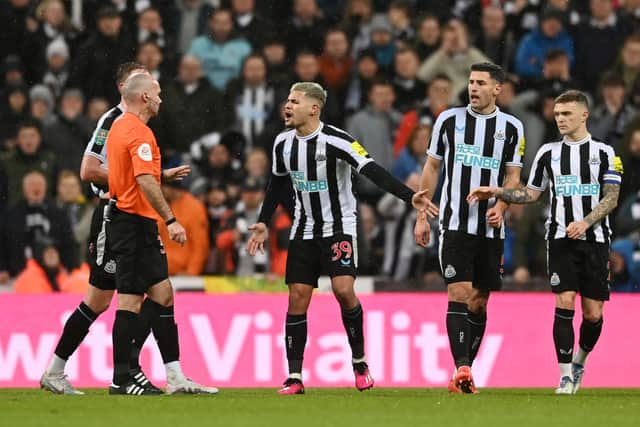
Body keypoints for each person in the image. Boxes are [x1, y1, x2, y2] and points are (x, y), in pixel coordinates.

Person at [246, 81, 435, 395]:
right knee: (297, 297)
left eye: (294, 101)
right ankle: (294, 377)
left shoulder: (338, 140)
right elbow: (277, 184)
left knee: (343, 290)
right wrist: (264, 222)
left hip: (339, 227)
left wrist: (408, 196)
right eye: (287, 100)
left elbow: (372, 169)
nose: (287, 107)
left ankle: (359, 362)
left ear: (314, 108)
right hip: (304, 229)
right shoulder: (282, 143)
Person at [39, 63, 192, 395]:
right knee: (114, 299)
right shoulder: (112, 122)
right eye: (146, 79)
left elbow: (136, 170)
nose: (154, 87)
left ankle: (156, 373)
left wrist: (155, 176)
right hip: (115, 215)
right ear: (128, 86)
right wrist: (137, 179)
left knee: (147, 294)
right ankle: (125, 373)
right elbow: (88, 170)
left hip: (129, 214)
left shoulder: (138, 125)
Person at [467, 90, 623, 395]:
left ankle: (579, 361)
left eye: (566, 114)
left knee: (593, 315)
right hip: (560, 239)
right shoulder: (548, 154)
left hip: (595, 241)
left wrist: (586, 222)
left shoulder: (606, 153)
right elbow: (532, 193)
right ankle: (565, 376)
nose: (560, 119)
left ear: (584, 115)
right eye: (557, 114)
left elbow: (612, 197)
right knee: (564, 302)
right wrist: (497, 192)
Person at [414, 62, 525, 394]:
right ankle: (463, 368)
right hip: (455, 224)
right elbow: (432, 166)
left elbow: (513, 176)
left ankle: (463, 370)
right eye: (471, 82)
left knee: (479, 300)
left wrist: (503, 206)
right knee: (459, 293)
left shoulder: (512, 127)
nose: (473, 87)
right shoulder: (449, 121)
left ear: (497, 89)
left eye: (481, 83)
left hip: (490, 229)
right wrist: (422, 215)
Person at [105, 73, 217, 396]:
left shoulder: (120, 127)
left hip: (131, 220)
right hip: (133, 223)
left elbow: (130, 174)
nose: (161, 99)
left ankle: (171, 375)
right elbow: (142, 180)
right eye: (157, 92)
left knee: (162, 294)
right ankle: (122, 376)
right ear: (143, 98)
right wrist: (171, 219)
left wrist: (161, 173)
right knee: (129, 299)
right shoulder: (139, 133)